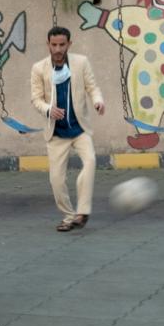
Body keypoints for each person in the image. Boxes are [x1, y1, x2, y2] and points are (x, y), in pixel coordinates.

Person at [30, 26, 105, 232]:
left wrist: (98, 101)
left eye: (62, 45)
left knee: (90, 161)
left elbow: (92, 87)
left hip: (79, 128)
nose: (58, 49)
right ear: (48, 45)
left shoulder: (81, 63)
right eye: (54, 45)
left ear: (69, 44)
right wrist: (48, 110)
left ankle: (82, 212)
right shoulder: (39, 68)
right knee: (56, 180)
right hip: (56, 132)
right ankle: (69, 216)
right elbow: (36, 98)